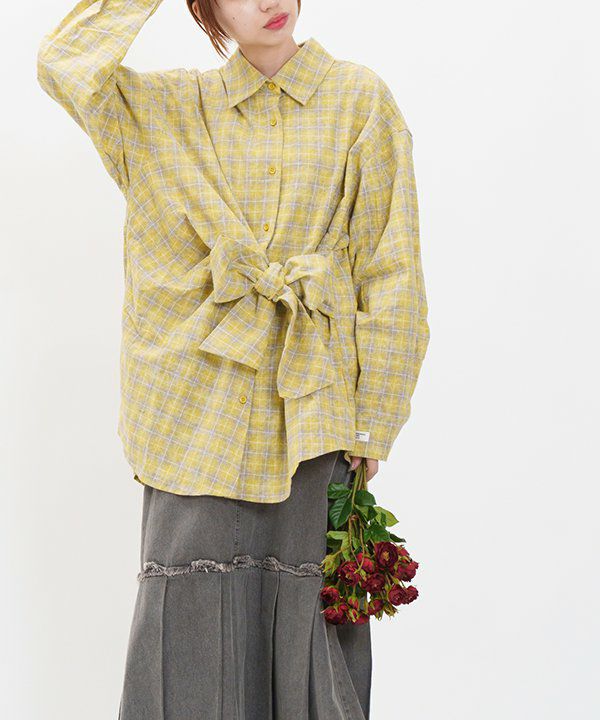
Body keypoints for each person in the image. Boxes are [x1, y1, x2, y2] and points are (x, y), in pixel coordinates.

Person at [37, 1, 430, 717]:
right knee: (183, 641)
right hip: (193, 417)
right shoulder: (167, 110)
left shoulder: (359, 100)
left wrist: (375, 419)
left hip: (311, 408)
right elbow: (64, 64)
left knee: (310, 633)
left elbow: (391, 267)